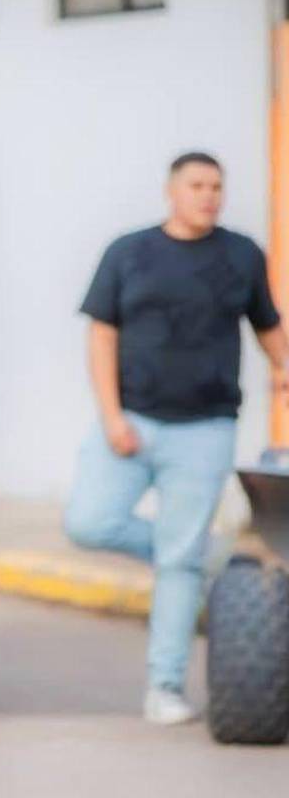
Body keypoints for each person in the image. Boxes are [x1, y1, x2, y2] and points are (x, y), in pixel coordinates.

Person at [65, 151, 289, 725]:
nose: (208, 195)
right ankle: (203, 555)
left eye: (216, 186)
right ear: (172, 190)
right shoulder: (128, 252)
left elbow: (268, 327)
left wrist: (284, 366)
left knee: (178, 563)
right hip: (132, 421)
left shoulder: (241, 254)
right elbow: (101, 338)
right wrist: (112, 417)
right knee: (89, 522)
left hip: (206, 430)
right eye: (197, 185)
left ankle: (164, 687)